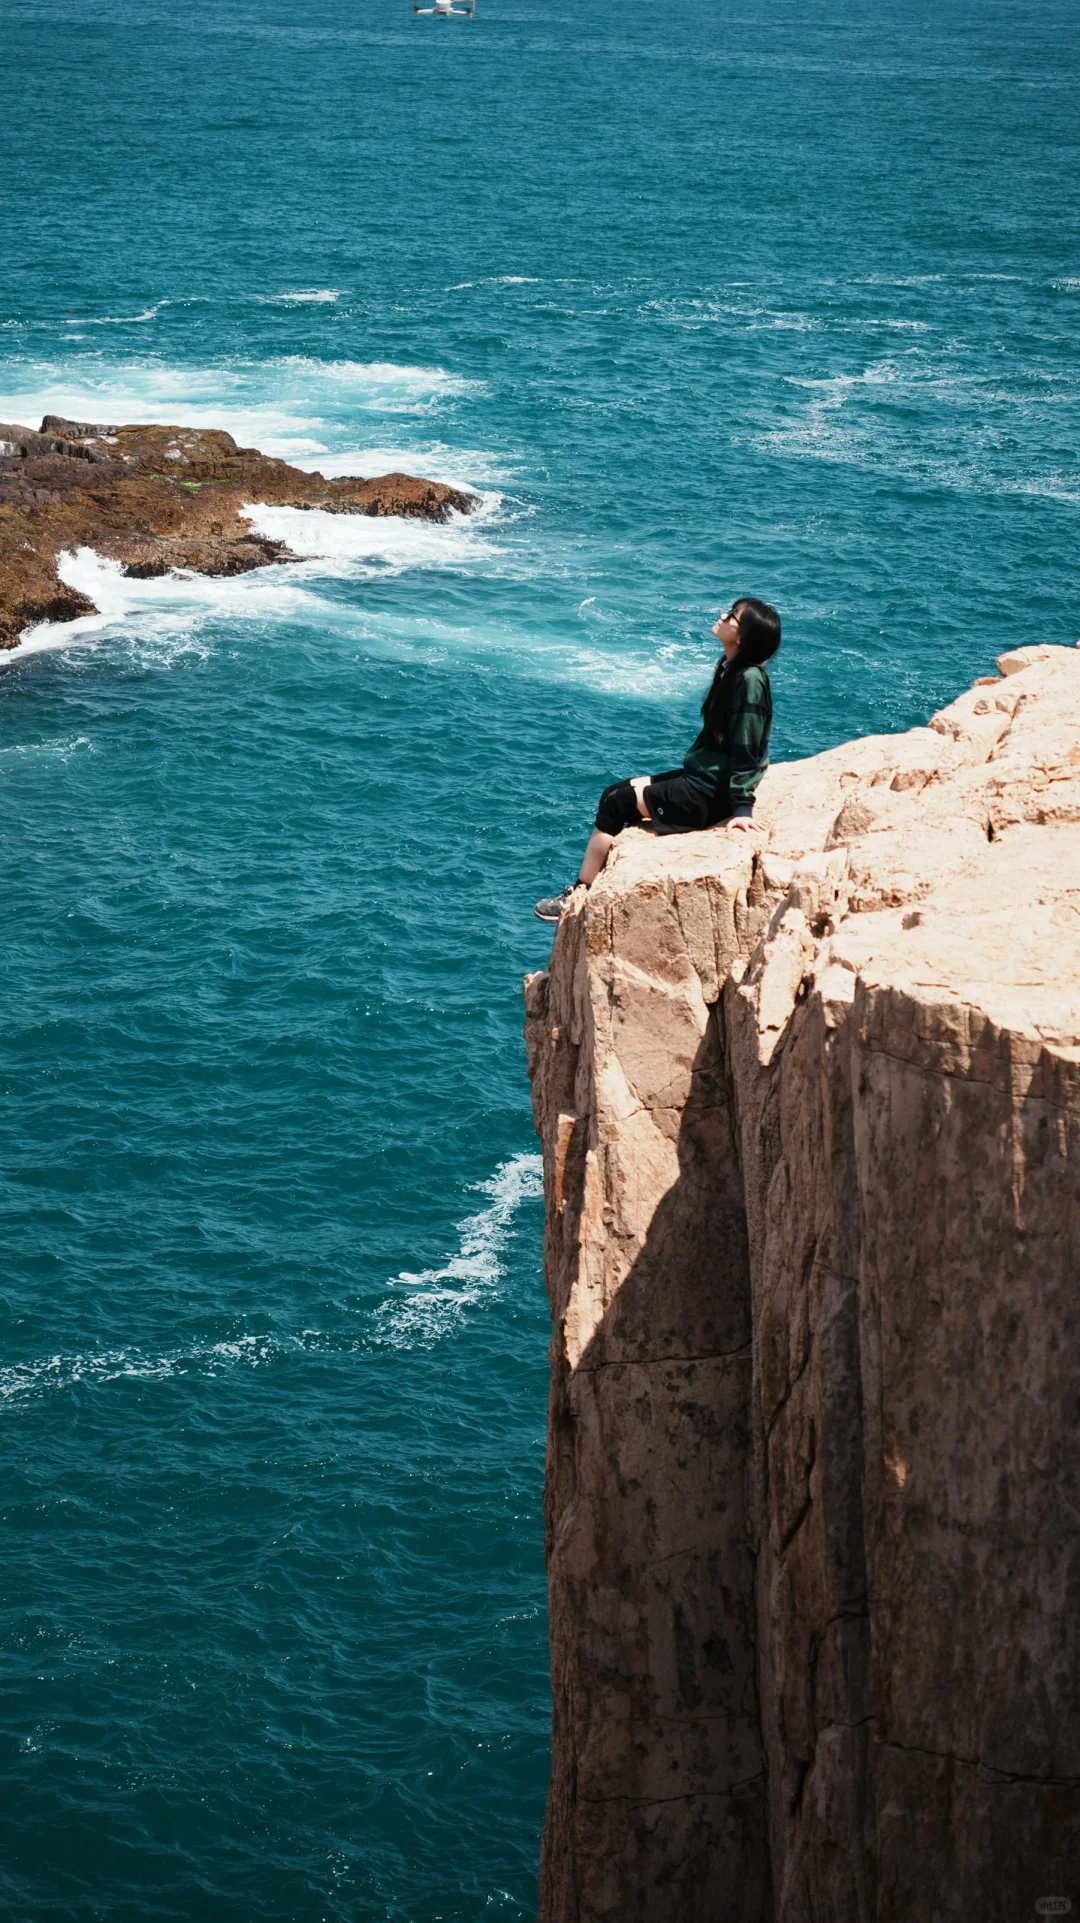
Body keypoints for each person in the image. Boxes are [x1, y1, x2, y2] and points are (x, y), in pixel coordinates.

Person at [534, 596, 781, 922]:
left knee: (616, 804)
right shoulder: (733, 670)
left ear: (745, 636)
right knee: (612, 792)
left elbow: (748, 746)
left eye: (732, 616)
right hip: (700, 781)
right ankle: (583, 886)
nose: (722, 616)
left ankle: (580, 893)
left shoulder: (749, 679)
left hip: (707, 796)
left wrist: (742, 807)